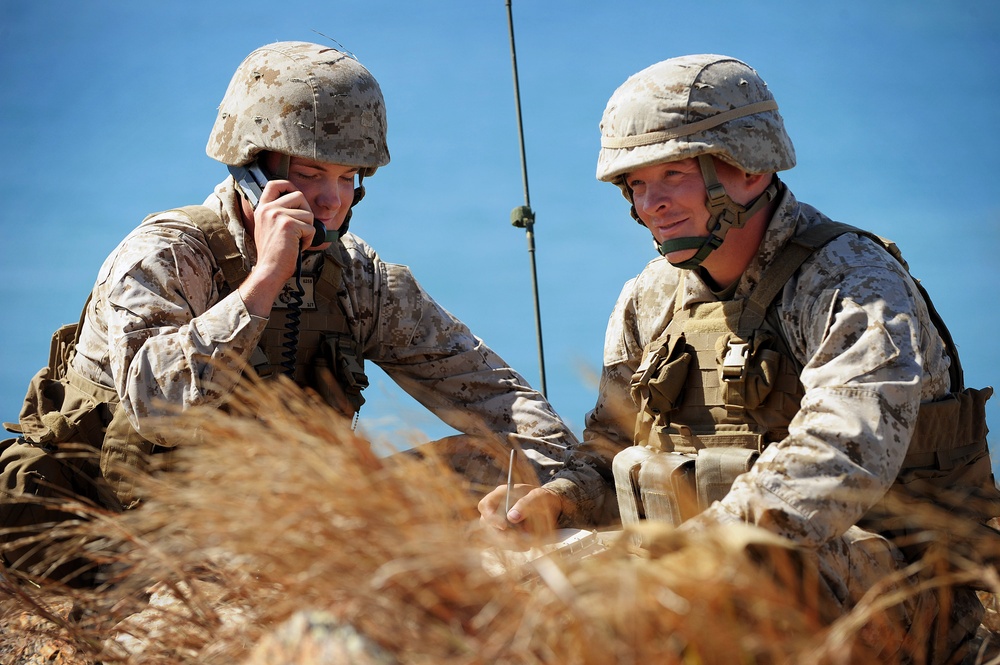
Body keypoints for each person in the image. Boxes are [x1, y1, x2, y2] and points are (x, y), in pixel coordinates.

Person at [480, 54, 1000, 659]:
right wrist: (559, 498)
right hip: (700, 569)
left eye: (671, 174)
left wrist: (679, 560)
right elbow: (611, 449)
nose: (650, 204)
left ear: (747, 170)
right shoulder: (649, 299)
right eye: (635, 185)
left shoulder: (850, 282)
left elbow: (837, 461)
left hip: (897, 600)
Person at [0, 41, 576, 584]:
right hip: (118, 529)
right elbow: (159, 409)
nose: (332, 199)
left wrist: (565, 489)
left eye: (347, 178)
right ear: (252, 171)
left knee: (495, 460)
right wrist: (265, 278)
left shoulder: (356, 277)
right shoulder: (165, 255)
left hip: (271, 527)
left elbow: (496, 396)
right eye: (309, 173)